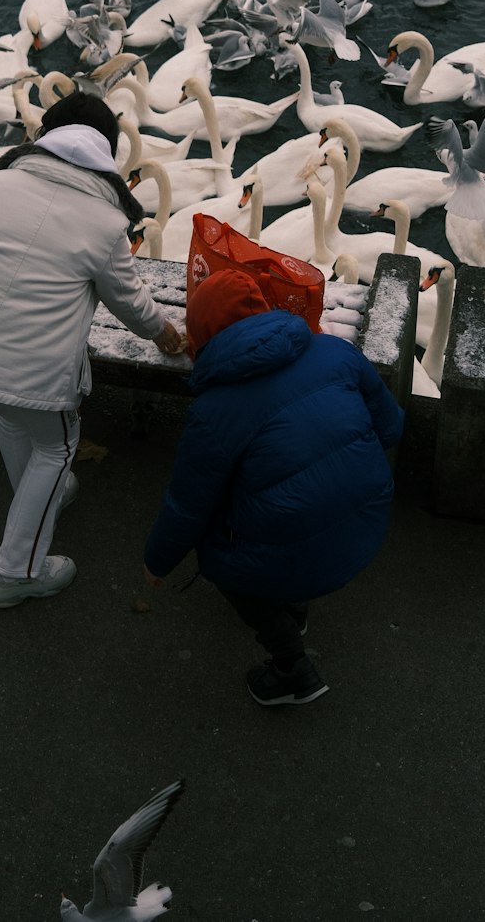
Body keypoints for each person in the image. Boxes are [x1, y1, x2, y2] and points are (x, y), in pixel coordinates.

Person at [0, 91, 183, 608]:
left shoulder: (2, 183)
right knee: (57, 443)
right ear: (105, 155)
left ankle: (48, 495)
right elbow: (128, 301)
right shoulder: (107, 224)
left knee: (16, 420)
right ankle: (16, 573)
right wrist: (164, 333)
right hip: (30, 373)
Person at [142, 268, 403, 706]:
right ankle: (295, 604)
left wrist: (157, 564)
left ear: (201, 333)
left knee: (218, 549)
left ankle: (291, 669)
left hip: (307, 545)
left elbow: (187, 507)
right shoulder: (336, 351)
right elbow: (391, 427)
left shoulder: (214, 411)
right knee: (292, 495)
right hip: (369, 520)